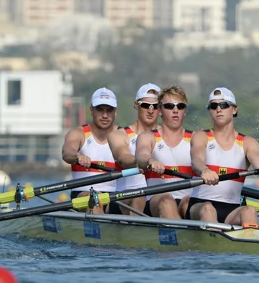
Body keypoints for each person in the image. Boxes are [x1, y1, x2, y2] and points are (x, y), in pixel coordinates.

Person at [185, 87, 259, 227]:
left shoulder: (248, 142)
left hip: (232, 210)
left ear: (234, 110)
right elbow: (196, 160)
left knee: (249, 211)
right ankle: (215, 242)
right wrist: (205, 171)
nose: (218, 109)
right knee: (208, 209)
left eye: (224, 105)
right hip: (200, 206)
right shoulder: (201, 137)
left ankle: (250, 243)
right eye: (213, 106)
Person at [61, 87, 135, 214]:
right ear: (91, 110)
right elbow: (67, 152)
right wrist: (78, 156)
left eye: (109, 110)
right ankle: (106, 230)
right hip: (84, 194)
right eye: (100, 110)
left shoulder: (125, 135)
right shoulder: (78, 134)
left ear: (115, 111)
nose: (105, 115)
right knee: (94, 199)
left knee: (136, 198)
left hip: (115, 196)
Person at [135, 85, 193, 219]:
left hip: (187, 200)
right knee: (167, 200)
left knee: (191, 201)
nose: (175, 110)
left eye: (180, 106)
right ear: (160, 110)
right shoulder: (147, 137)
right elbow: (141, 157)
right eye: (169, 106)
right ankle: (183, 236)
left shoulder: (196, 139)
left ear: (185, 111)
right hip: (157, 201)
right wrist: (150, 161)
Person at [110, 83, 161, 214]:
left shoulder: (169, 137)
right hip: (125, 199)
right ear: (136, 105)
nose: (150, 110)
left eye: (155, 106)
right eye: (145, 105)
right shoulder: (120, 135)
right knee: (139, 198)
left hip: (158, 198)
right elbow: (123, 158)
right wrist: (146, 161)